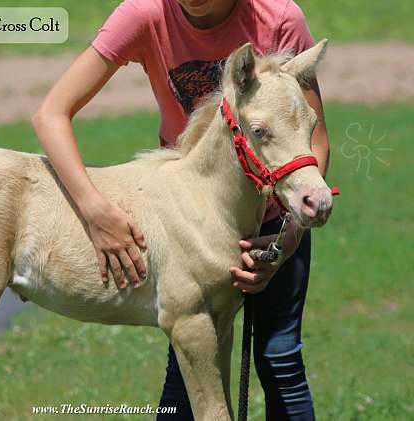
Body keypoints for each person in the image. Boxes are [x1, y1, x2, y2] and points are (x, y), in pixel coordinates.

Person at [32, 0, 330, 419]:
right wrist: (95, 211)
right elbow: (51, 113)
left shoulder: (278, 18)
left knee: (279, 359)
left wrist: (288, 238)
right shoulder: (145, 14)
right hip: (191, 224)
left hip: (278, 219)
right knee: (190, 358)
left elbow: (313, 139)